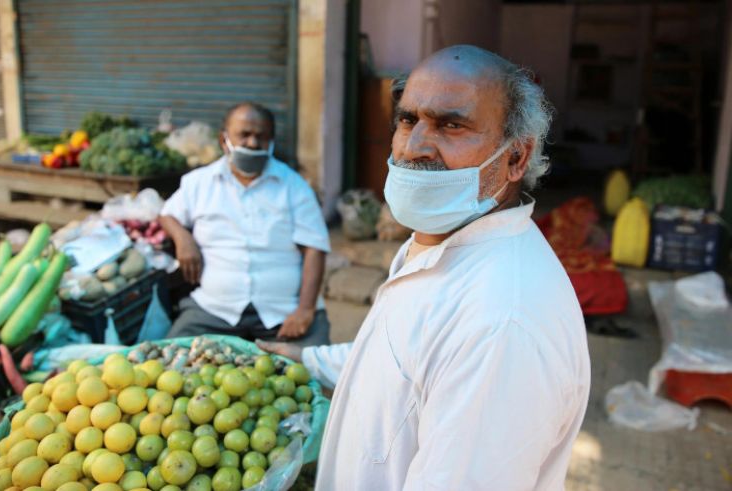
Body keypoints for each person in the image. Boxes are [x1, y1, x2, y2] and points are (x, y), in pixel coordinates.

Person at [257, 45, 591, 490]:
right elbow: (401, 362)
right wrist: (305, 360)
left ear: (516, 158)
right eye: (408, 119)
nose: (413, 147)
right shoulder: (439, 242)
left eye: (452, 125)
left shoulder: (503, 324)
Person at [159, 102, 331, 347]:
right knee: (169, 362)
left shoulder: (295, 187)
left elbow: (315, 248)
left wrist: (304, 310)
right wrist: (183, 239)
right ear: (224, 140)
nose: (252, 143)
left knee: (313, 374)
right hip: (214, 309)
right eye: (244, 135)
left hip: (282, 311)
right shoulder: (198, 183)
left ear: (271, 142)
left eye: (260, 137)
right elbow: (167, 214)